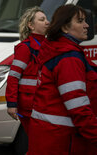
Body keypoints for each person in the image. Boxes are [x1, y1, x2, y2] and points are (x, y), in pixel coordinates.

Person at [28, 4, 97, 154]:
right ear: (65, 28)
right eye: (80, 21)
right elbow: (78, 107)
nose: (86, 26)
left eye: (86, 21)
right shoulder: (69, 58)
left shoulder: (56, 49)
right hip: (64, 142)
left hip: (48, 138)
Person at [6, 6, 49, 134]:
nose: (47, 22)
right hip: (29, 106)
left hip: (44, 103)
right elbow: (13, 76)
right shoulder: (25, 48)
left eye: (46, 19)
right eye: (42, 20)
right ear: (31, 25)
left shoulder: (49, 46)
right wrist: (12, 104)